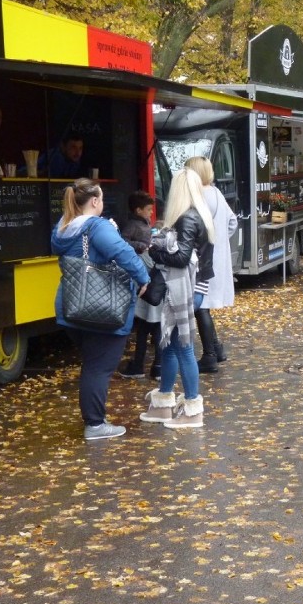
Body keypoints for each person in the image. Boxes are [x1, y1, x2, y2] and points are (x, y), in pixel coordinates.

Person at [50, 179, 149, 440]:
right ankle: (94, 424)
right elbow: (122, 252)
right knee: (99, 367)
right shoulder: (96, 227)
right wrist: (143, 277)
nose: (102, 203)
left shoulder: (62, 227)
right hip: (101, 309)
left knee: (92, 364)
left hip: (72, 306)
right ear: (94, 201)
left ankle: (95, 420)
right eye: (101, 199)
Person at [141, 168, 214, 429]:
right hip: (194, 288)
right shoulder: (201, 215)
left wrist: (156, 252)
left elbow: (181, 258)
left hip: (183, 290)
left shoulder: (186, 218)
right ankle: (164, 404)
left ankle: (192, 409)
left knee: (182, 346)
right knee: (170, 345)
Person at [185, 156, 238, 373]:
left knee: (201, 306)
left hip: (201, 258)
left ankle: (209, 355)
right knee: (204, 305)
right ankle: (216, 348)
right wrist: (219, 239)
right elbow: (233, 221)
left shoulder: (196, 196)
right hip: (217, 257)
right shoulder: (217, 193)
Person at [119, 190, 162, 380]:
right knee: (153, 323)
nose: (151, 213)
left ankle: (140, 364)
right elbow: (123, 241)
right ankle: (157, 366)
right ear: (138, 210)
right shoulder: (132, 225)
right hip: (145, 275)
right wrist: (140, 246)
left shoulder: (142, 224)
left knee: (146, 324)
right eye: (148, 209)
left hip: (147, 275)